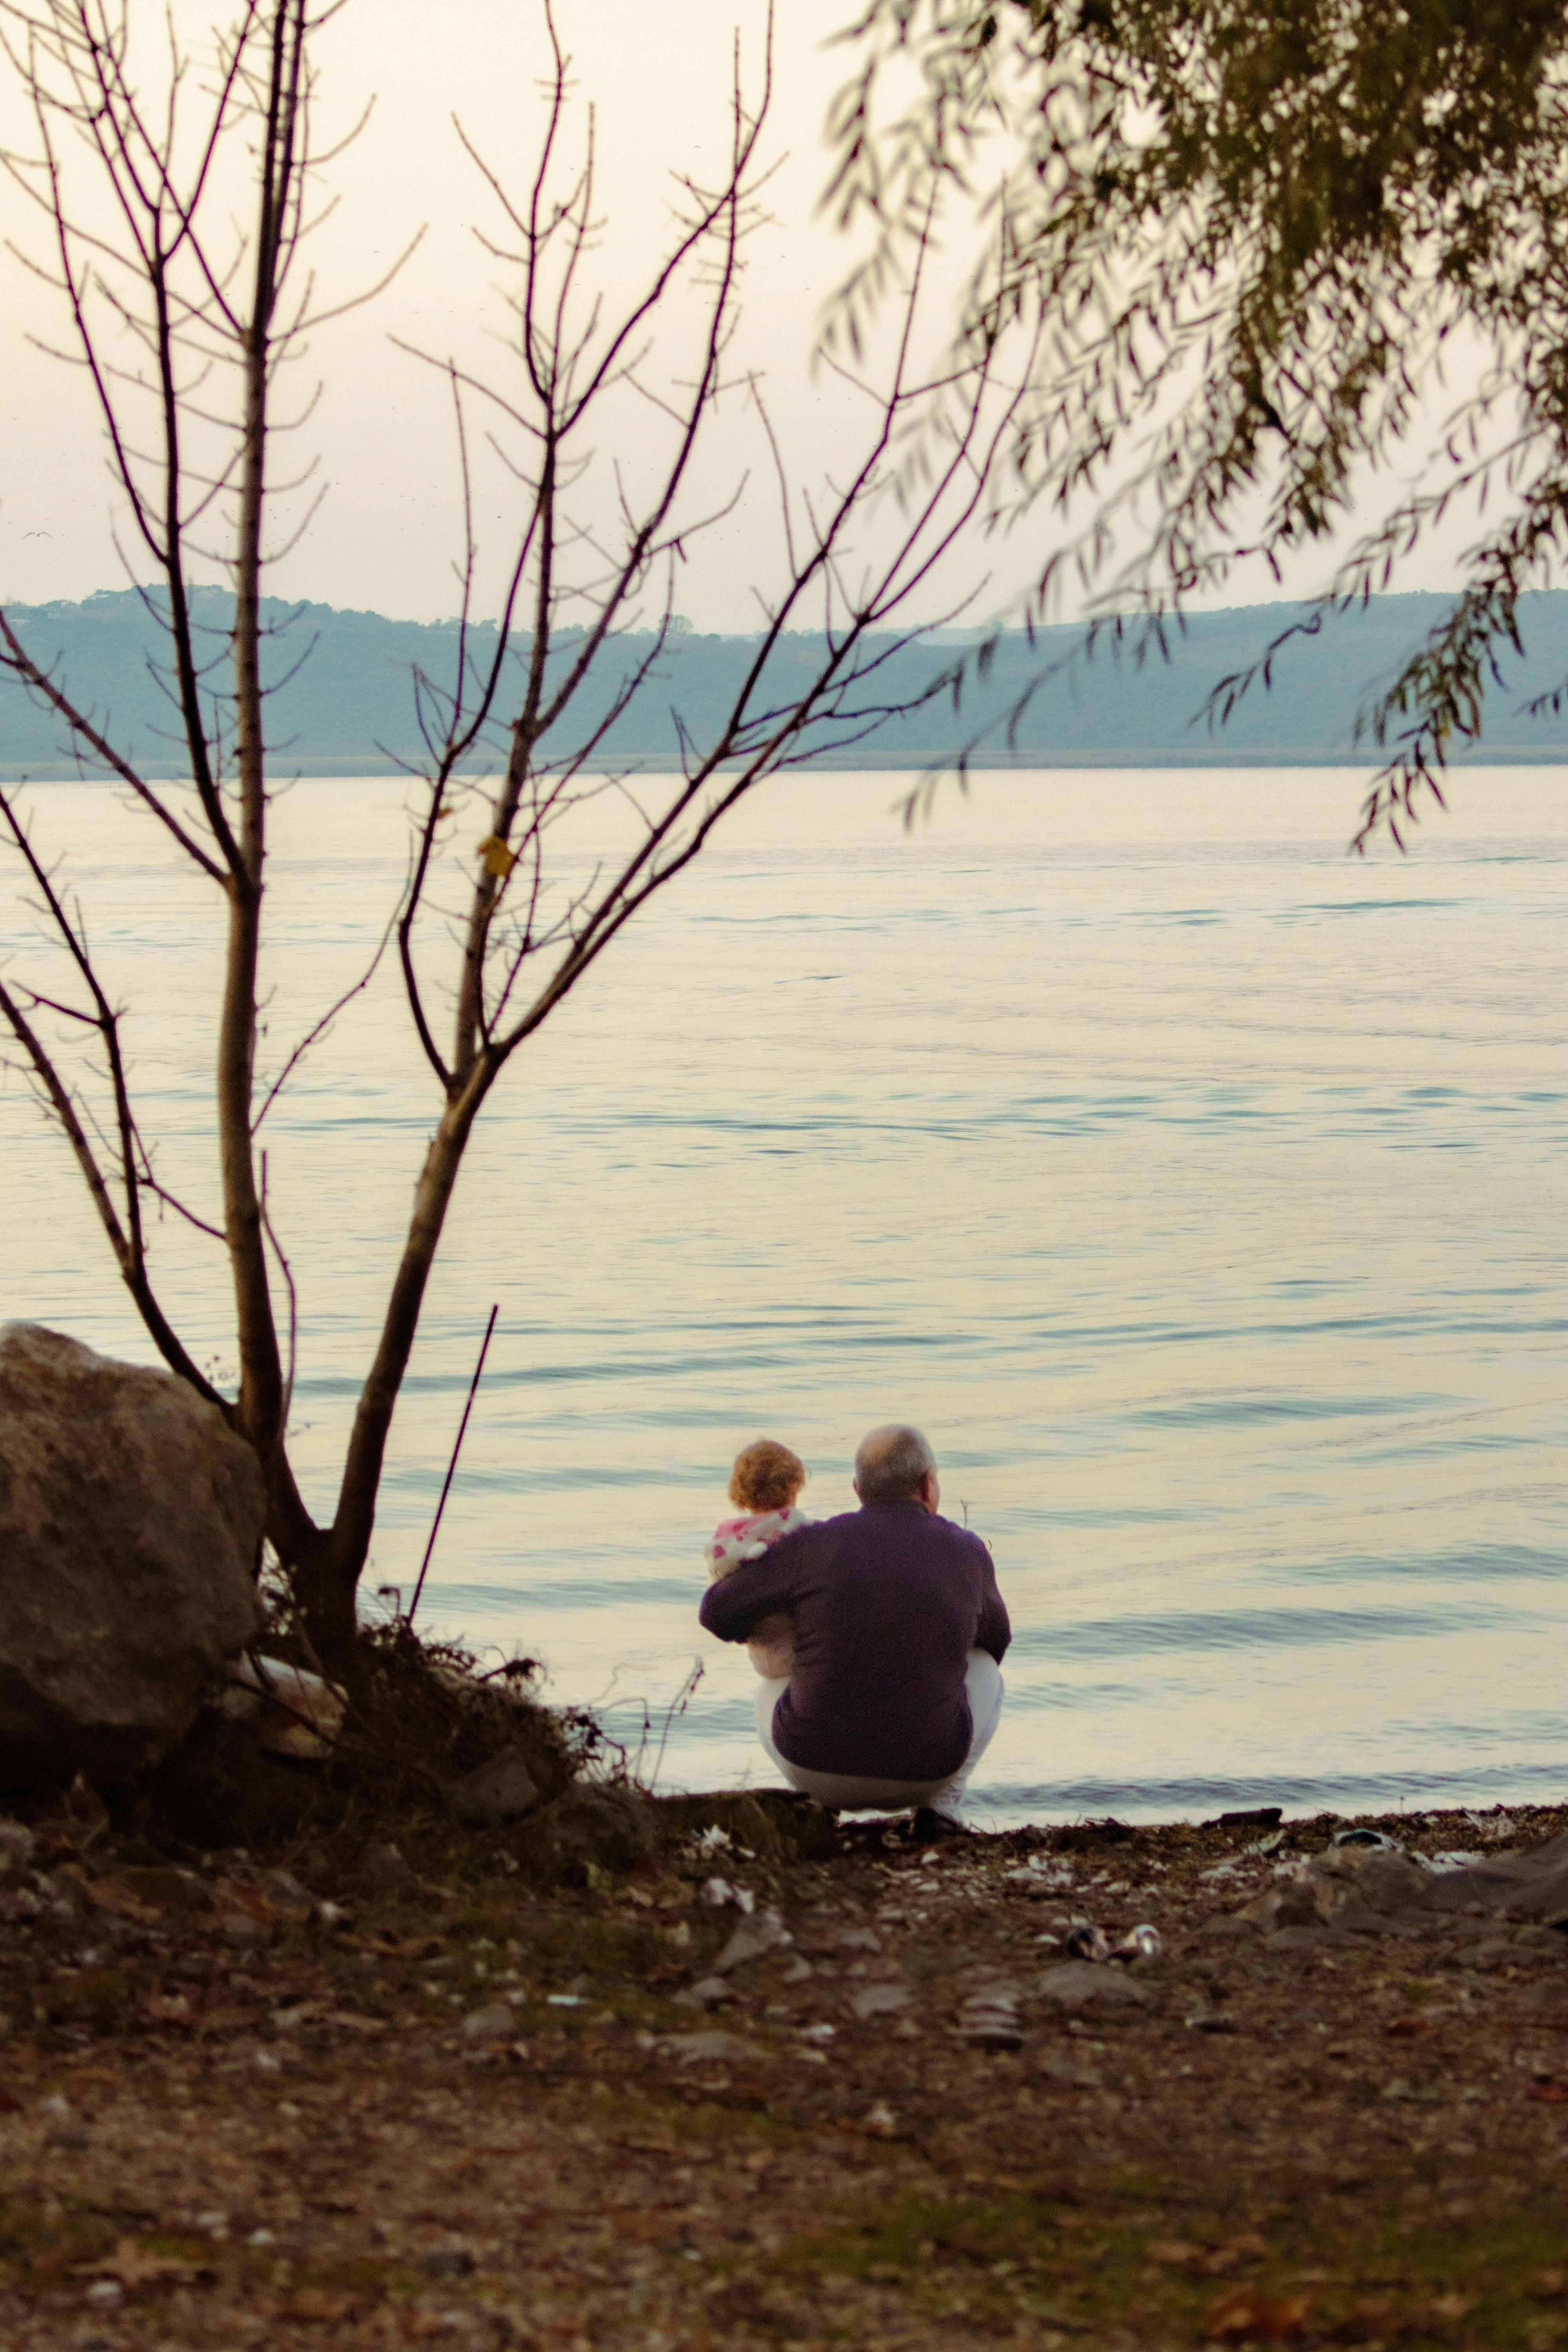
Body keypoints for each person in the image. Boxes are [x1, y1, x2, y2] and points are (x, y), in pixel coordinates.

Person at [697, 1422, 1008, 1826]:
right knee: (983, 1666)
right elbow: (996, 1642)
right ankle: (940, 1810)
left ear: (858, 1490)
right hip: (927, 1769)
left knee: (775, 1678)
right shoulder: (968, 1551)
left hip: (811, 1765)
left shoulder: (809, 1546)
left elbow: (716, 1613)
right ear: (928, 1485)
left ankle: (817, 1809)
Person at [704, 1437, 810, 1681]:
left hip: (764, 1658)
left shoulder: (726, 1540)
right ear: (793, 1486)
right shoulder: (797, 1527)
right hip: (799, 1654)